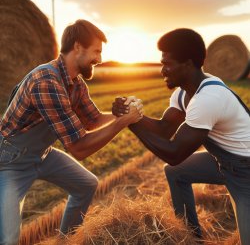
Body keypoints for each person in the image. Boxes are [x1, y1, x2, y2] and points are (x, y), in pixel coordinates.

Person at [0, 19, 143, 245]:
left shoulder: (76, 83)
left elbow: (93, 120)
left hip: (42, 154)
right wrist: (121, 123)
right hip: (12, 160)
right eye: (96, 51)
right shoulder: (47, 81)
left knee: (86, 184)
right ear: (78, 47)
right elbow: (79, 147)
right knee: (8, 239)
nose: (100, 59)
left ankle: (65, 241)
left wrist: (117, 113)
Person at [112, 28, 250, 244]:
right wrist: (133, 115)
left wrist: (130, 123)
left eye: (167, 64)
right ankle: (191, 238)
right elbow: (164, 128)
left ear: (187, 64)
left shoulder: (208, 97)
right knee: (176, 172)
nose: (162, 70)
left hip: (246, 172)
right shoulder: (184, 92)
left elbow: (175, 153)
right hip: (224, 162)